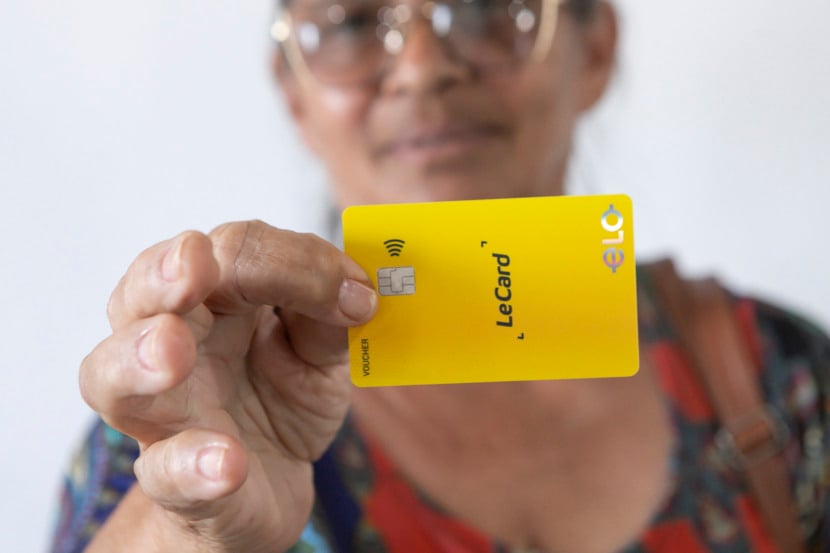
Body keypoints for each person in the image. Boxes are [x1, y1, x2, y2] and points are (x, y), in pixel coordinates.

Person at [50, 0, 830, 551]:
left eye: (489, 4)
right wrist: (192, 530)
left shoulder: (784, 379)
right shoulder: (183, 422)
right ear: (296, 95)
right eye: (354, 22)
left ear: (592, 52)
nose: (421, 67)